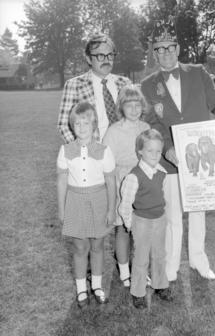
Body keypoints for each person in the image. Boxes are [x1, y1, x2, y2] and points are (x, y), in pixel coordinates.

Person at [141, 18, 215, 282]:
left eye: (169, 47)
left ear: (178, 48)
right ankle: (171, 266)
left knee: (198, 212)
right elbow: (152, 123)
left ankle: (199, 260)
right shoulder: (148, 85)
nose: (164, 53)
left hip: (201, 156)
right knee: (173, 215)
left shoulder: (198, 72)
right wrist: (166, 149)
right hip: (172, 160)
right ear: (154, 54)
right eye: (159, 49)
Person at [57, 102, 116, 309]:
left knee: (98, 245)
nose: (81, 127)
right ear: (72, 126)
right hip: (75, 201)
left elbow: (110, 182)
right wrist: (62, 210)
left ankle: (97, 285)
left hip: (99, 201)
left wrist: (111, 209)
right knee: (80, 247)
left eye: (86, 122)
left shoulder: (104, 151)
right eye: (77, 123)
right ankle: (81, 287)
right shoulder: (65, 151)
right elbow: (62, 182)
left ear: (94, 125)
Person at [119, 129, 173, 309]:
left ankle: (160, 285)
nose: (155, 155)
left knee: (159, 255)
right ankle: (138, 292)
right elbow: (125, 204)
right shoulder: (134, 176)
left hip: (159, 219)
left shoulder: (162, 172)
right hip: (141, 221)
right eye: (150, 151)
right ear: (140, 151)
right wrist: (129, 224)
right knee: (141, 258)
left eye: (158, 151)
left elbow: (161, 195)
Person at [102, 85, 150, 288]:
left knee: (141, 231)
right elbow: (106, 163)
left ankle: (139, 269)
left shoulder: (146, 128)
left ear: (142, 106)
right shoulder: (113, 131)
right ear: (121, 107)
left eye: (137, 104)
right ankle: (123, 272)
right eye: (128, 105)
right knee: (122, 230)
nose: (133, 109)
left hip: (144, 185)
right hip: (123, 183)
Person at [57, 32, 131, 143]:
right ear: (88, 58)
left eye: (110, 55)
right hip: (93, 152)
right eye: (100, 56)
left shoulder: (125, 83)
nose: (106, 60)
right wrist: (83, 151)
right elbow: (64, 125)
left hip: (125, 151)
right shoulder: (74, 85)